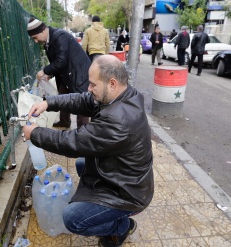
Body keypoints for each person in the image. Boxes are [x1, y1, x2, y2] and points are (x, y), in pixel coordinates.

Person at [23, 55, 154, 247]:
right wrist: (48, 103)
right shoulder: (121, 94)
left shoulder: (119, 120)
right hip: (123, 176)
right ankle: (110, 216)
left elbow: (73, 142)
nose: (89, 89)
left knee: (72, 219)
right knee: (81, 164)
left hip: (128, 193)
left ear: (112, 83)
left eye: (93, 84)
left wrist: (35, 133)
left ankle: (120, 227)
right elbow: (83, 100)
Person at [27, 17, 90, 129]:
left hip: (78, 72)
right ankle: (64, 122)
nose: (35, 41)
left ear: (42, 30)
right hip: (65, 73)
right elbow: (56, 61)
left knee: (81, 101)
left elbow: (61, 60)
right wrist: (49, 74)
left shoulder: (60, 36)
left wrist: (45, 71)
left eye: (35, 37)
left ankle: (83, 132)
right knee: (62, 97)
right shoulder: (48, 41)